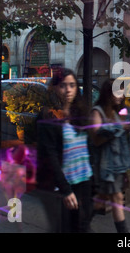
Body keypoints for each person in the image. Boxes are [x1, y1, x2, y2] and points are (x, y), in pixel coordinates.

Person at [36, 68, 94, 233]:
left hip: (85, 181)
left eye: (72, 85)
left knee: (82, 225)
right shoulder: (48, 115)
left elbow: (88, 147)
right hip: (63, 185)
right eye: (63, 85)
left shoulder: (81, 112)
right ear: (55, 88)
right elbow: (50, 155)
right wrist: (65, 190)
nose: (68, 90)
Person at [90, 78, 130, 233]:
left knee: (102, 200)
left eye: (122, 92)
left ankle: (80, 222)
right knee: (116, 199)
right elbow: (96, 139)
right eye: (117, 92)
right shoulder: (97, 112)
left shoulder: (115, 113)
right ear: (108, 93)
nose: (120, 96)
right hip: (105, 165)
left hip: (116, 164)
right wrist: (118, 128)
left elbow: (120, 143)